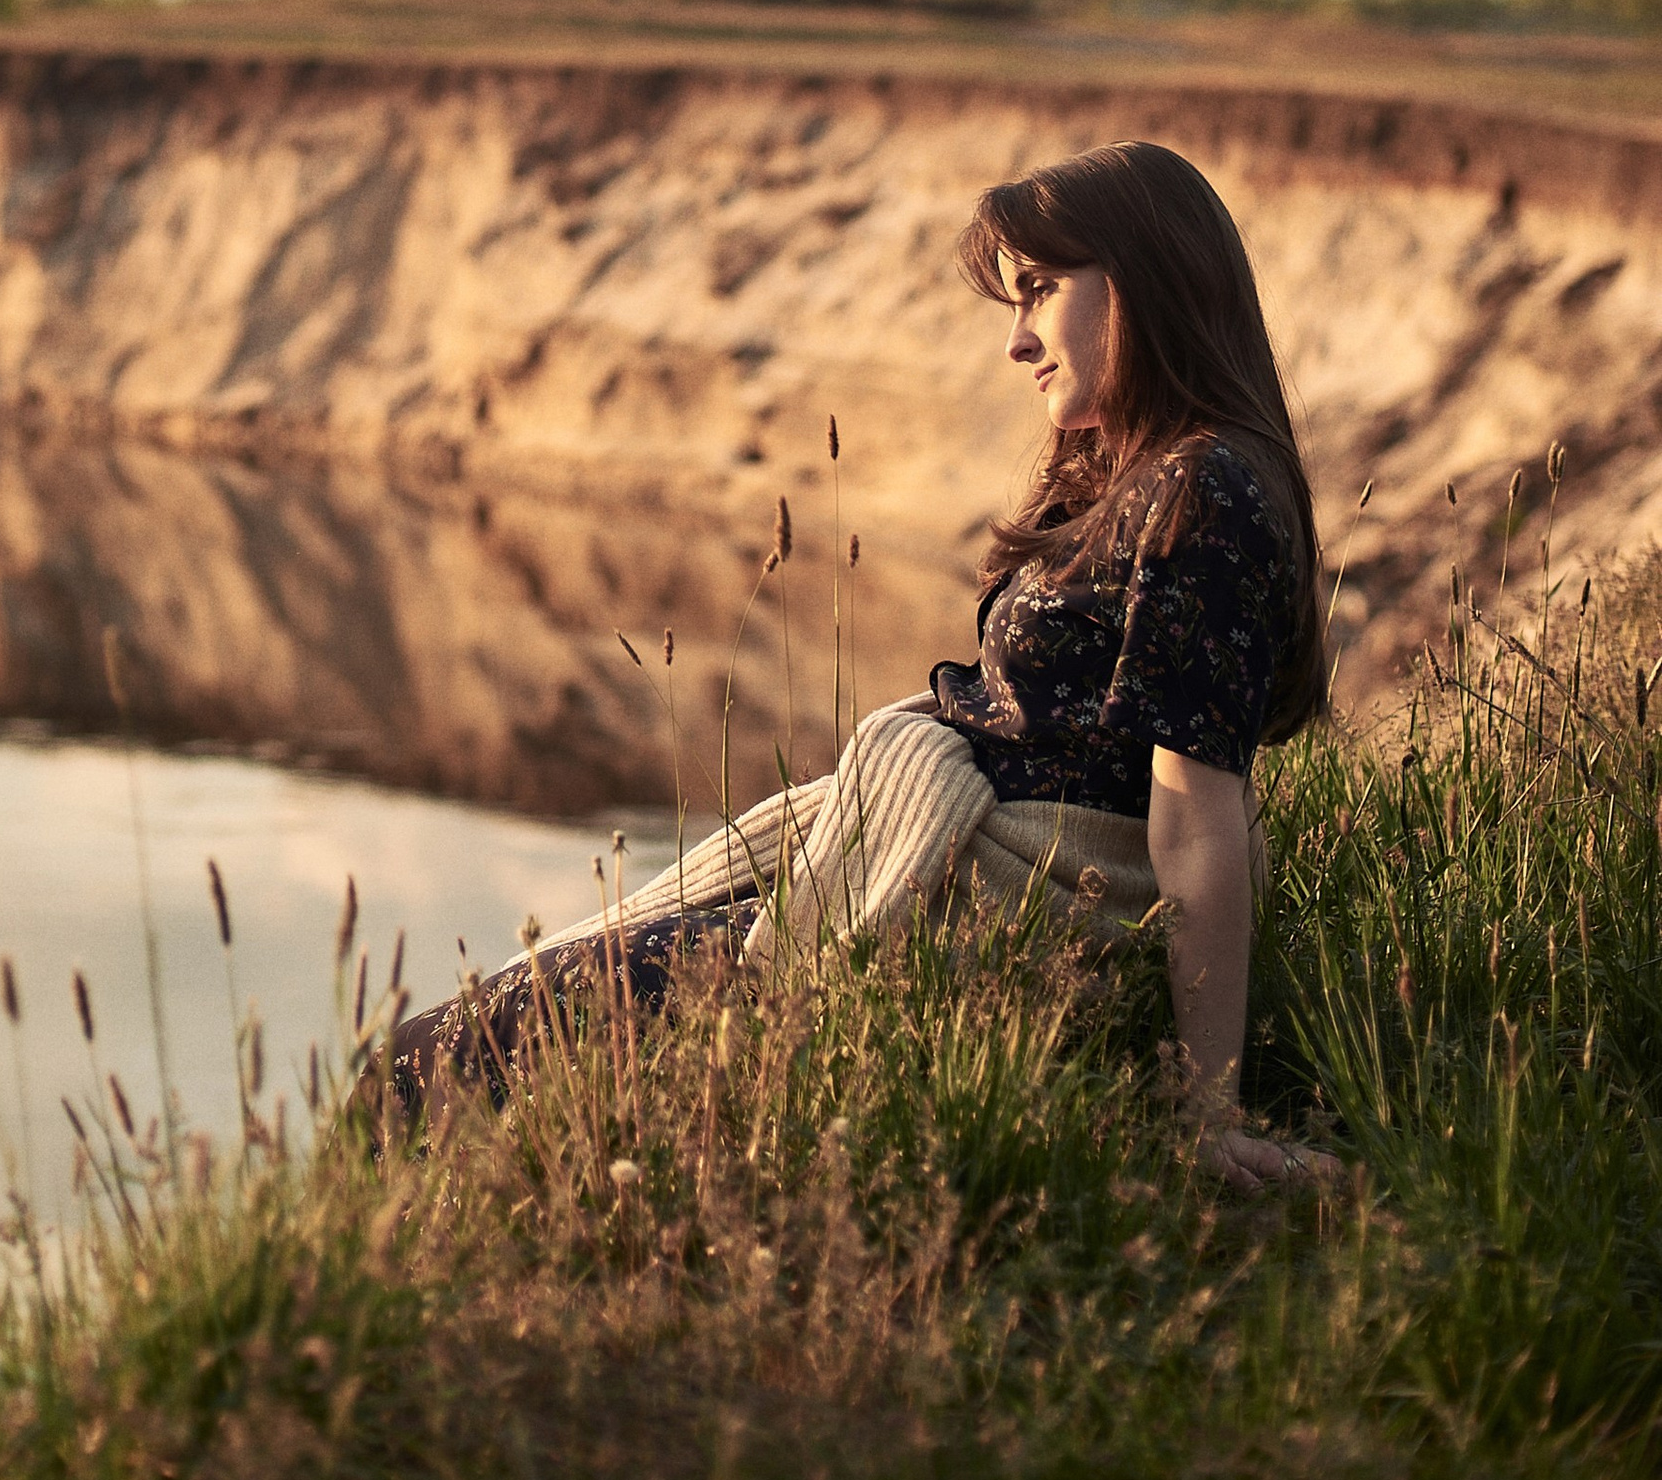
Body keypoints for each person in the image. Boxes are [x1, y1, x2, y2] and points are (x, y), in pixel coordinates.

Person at [391, 139, 1338, 1196]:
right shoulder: (1128, 470)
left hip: (969, 913)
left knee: (433, 1061)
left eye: (1038, 289)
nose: (1017, 340)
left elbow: (1196, 812)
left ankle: (409, 1256)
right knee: (459, 1039)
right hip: (917, 869)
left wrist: (1206, 1110)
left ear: (1147, 280)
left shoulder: (1202, 491)